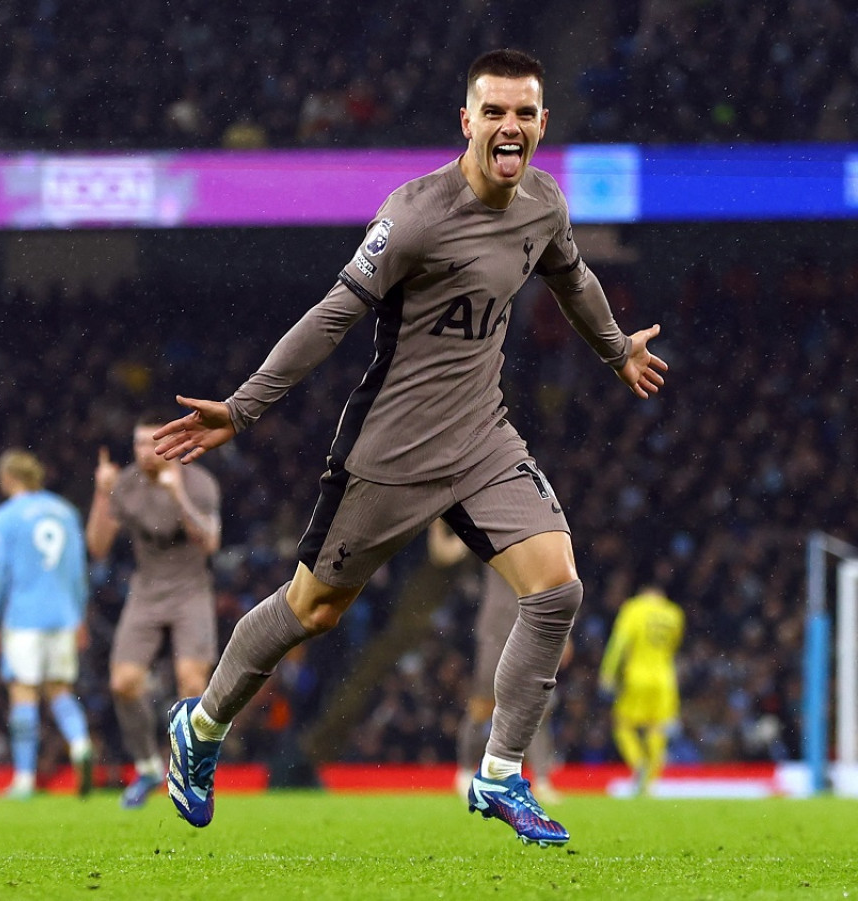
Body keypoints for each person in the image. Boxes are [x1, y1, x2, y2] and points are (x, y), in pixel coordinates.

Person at [152, 48, 667, 846]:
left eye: (524, 113)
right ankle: (203, 726)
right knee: (312, 609)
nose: (509, 126)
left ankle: (499, 775)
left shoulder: (543, 204)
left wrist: (614, 350)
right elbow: (332, 314)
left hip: (483, 440)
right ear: (467, 121)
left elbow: (572, 276)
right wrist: (245, 407)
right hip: (388, 452)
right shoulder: (416, 213)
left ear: (541, 125)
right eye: (493, 111)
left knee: (557, 588)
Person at [86, 412, 222, 809]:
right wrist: (100, 494)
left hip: (190, 591)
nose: (146, 452)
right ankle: (148, 766)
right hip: (146, 592)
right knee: (123, 683)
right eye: (139, 444)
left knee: (191, 681)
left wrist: (177, 494)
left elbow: (210, 542)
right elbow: (97, 546)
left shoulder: (198, 481)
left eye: (153, 443)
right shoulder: (125, 484)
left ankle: (191, 775)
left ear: (172, 442)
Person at [0, 449, 93, 800]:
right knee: (58, 689)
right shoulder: (67, 512)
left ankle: (25, 780)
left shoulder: (4, 518)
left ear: (8, 478)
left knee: (23, 692)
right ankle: (80, 743)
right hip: (62, 615)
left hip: (24, 617)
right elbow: (77, 572)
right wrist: (79, 616)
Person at [428, 521, 566, 804]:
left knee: (535, 707)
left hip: (531, 629)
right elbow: (444, 554)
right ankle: (465, 771)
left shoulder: (538, 534)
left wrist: (565, 630)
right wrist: (437, 523)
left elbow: (557, 582)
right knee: (482, 706)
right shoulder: (490, 531)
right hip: (495, 632)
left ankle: (541, 780)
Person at [598, 585, 684, 796]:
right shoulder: (674, 613)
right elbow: (674, 647)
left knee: (622, 724)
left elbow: (620, 643)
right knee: (657, 728)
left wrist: (608, 672)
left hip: (636, 676)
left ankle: (639, 764)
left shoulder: (633, 609)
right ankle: (651, 781)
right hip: (665, 678)